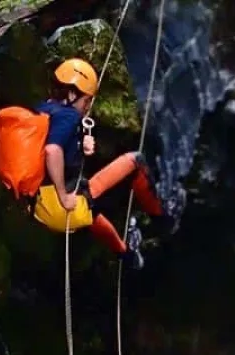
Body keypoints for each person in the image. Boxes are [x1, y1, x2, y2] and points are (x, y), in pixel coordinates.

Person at [30, 57, 168, 270]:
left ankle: (126, 256)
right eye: (86, 101)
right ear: (72, 94)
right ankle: (161, 220)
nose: (86, 108)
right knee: (135, 162)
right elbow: (52, 150)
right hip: (61, 207)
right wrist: (64, 196)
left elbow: (50, 145)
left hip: (40, 207)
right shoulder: (68, 116)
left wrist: (80, 144)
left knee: (89, 206)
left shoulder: (43, 109)